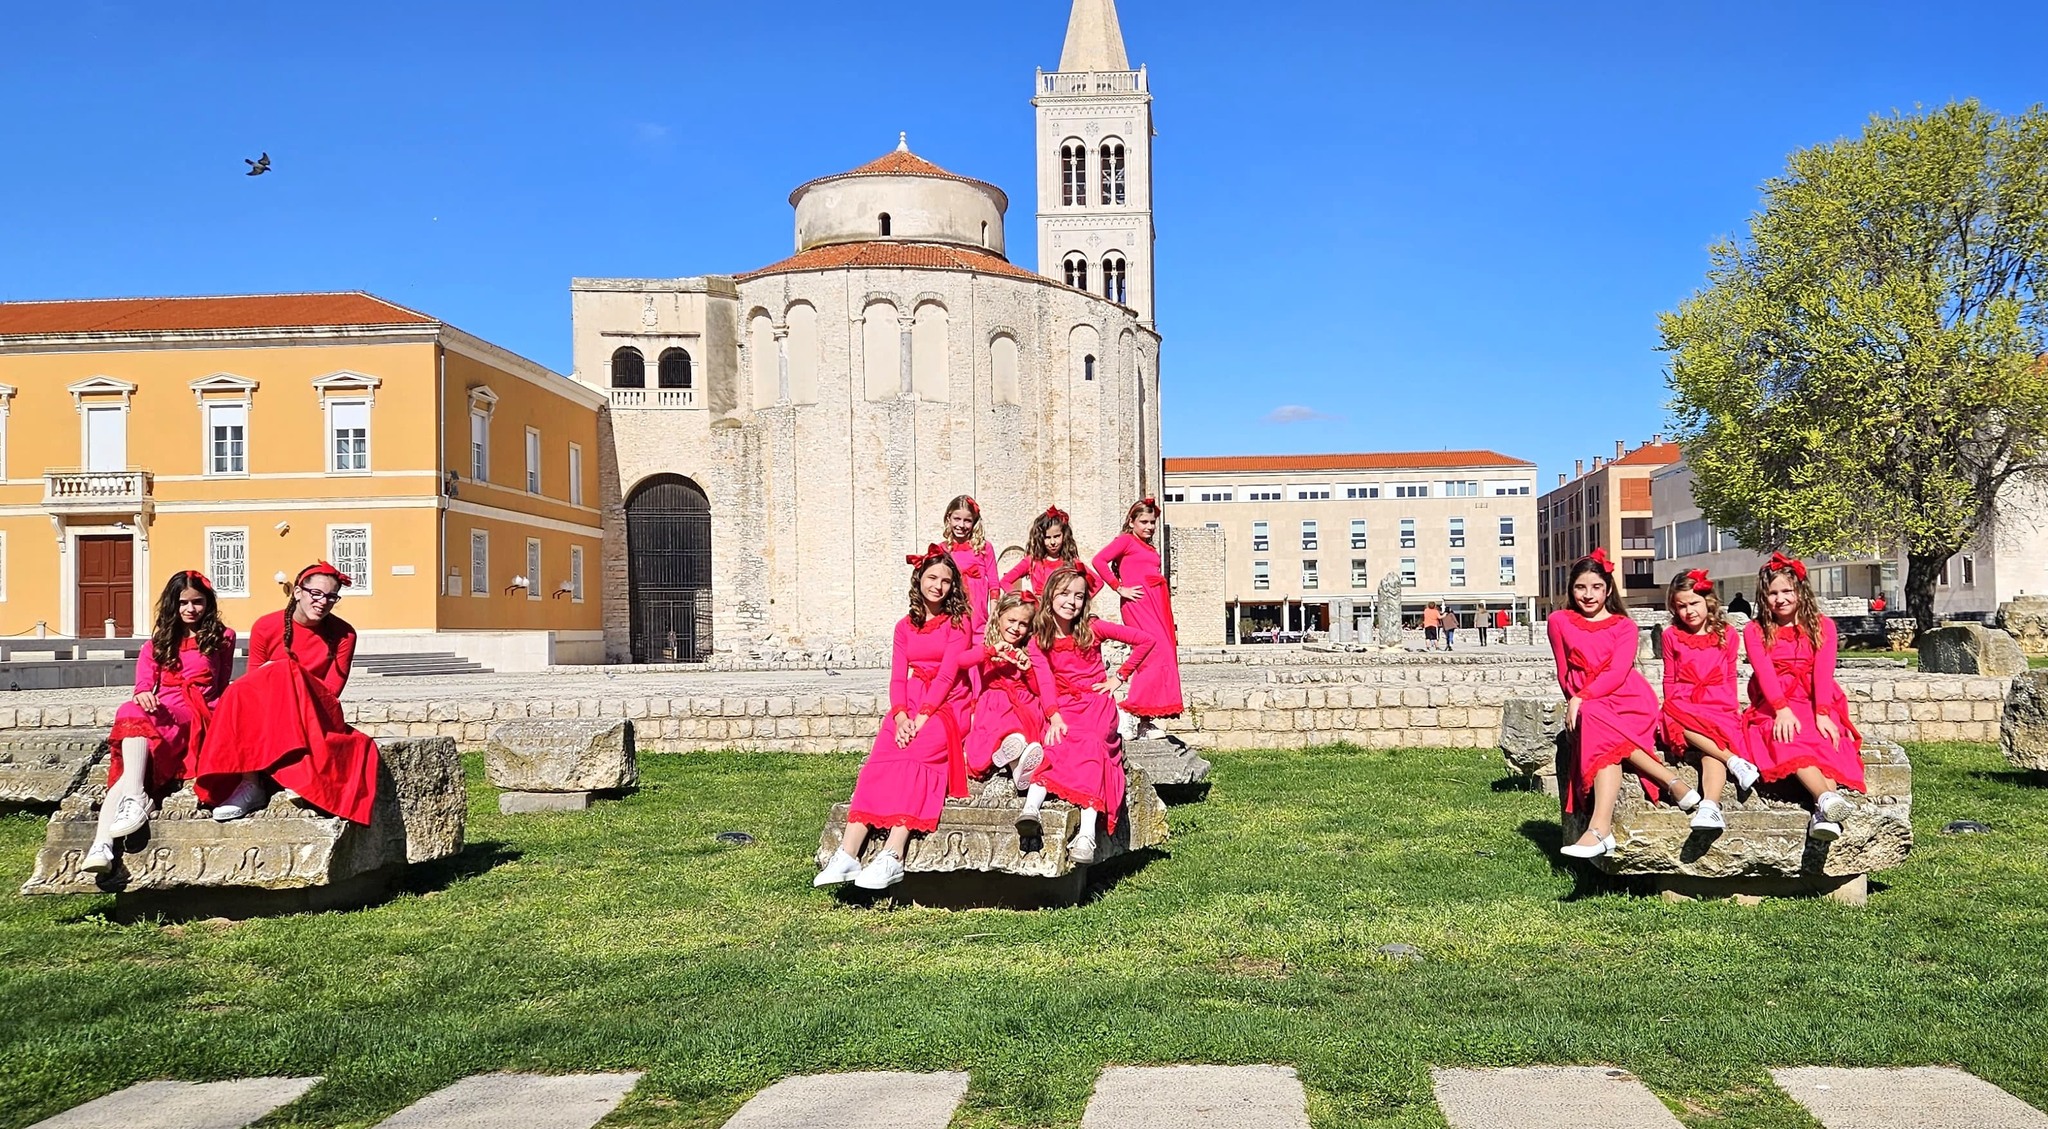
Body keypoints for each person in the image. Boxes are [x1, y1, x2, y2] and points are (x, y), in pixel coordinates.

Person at [815, 547, 977, 891]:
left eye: (946, 581)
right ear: (919, 580)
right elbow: (897, 677)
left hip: (948, 704)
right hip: (913, 700)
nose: (938, 586)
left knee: (917, 755)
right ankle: (847, 854)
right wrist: (902, 714)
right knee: (882, 757)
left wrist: (921, 719)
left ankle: (893, 853)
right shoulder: (903, 627)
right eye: (932, 578)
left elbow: (948, 676)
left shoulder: (959, 622)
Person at [194, 562, 380, 824]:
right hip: (270, 707)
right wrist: (280, 674)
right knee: (240, 691)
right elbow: (252, 682)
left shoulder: (344, 633)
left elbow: (332, 691)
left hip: (316, 711)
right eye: (315, 593)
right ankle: (250, 782)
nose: (322, 602)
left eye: (330, 596)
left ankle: (288, 775)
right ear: (298, 592)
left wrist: (289, 674)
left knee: (282, 670)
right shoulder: (266, 626)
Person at [81, 571, 238, 875]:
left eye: (198, 602)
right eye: (183, 603)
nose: (190, 609)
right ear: (172, 604)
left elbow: (221, 684)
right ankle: (102, 843)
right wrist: (142, 695)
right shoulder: (157, 642)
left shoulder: (223, 637)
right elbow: (142, 686)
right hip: (163, 713)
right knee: (130, 714)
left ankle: (112, 830)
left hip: (198, 714)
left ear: (208, 603)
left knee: (132, 751)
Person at [1548, 549, 1700, 859]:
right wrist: (1574, 701)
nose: (1588, 595)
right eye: (1580, 587)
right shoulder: (1559, 621)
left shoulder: (1624, 626)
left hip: (1628, 700)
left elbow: (1617, 673)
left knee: (1594, 719)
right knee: (1596, 727)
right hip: (1589, 705)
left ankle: (1600, 830)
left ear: (1608, 589)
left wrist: (1582, 699)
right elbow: (1564, 672)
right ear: (1571, 589)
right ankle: (1669, 783)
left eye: (1596, 587)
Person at [1020, 565, 1156, 862]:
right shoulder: (1038, 640)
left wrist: (1119, 676)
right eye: (1065, 593)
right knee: (1055, 742)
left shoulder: (1093, 628)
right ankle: (1030, 809)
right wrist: (1053, 715)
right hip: (1064, 706)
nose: (1072, 601)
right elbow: (1044, 682)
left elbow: (1146, 641)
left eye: (1079, 596)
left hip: (1095, 703)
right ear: (1050, 596)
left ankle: (1087, 833)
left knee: (1093, 745)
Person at [1742, 553, 1863, 842]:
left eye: (1787, 591)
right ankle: (1825, 800)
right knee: (1788, 736)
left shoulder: (1823, 626)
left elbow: (1823, 670)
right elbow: (1764, 672)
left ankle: (1824, 815)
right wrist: (1781, 709)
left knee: (1826, 738)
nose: (1780, 599)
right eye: (1772, 593)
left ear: (1800, 591)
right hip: (1775, 701)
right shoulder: (1755, 629)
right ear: (1763, 596)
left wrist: (1823, 711)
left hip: (1814, 698)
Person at [1658, 569, 1764, 831]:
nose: (1688, 611)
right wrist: (1672, 705)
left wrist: (1729, 710)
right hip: (1683, 702)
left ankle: (1710, 805)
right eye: (1681, 606)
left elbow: (1729, 677)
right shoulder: (1671, 635)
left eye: (1693, 603)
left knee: (1711, 749)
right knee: (1674, 720)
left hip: (1717, 702)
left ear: (1708, 600)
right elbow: (1669, 677)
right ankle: (1733, 761)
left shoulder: (1727, 634)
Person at [1092, 498, 1182, 739]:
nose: (1149, 526)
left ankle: (1145, 720)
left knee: (1163, 654)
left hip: (1157, 605)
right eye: (1144, 521)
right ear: (1131, 522)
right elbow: (1098, 560)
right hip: (1138, 604)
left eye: (1152, 522)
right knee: (1151, 653)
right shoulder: (1125, 541)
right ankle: (1133, 715)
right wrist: (1118, 587)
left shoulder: (1149, 547)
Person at [937, 590, 1046, 781]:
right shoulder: (987, 645)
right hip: (993, 705)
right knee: (1000, 728)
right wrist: (989, 651)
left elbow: (1038, 689)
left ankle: (1015, 757)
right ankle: (1016, 760)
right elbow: (962, 660)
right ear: (999, 617)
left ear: (1029, 628)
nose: (1015, 628)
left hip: (1023, 704)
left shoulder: (1029, 650)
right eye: (1011, 621)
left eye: (1022, 624)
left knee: (1018, 727)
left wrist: (1027, 669)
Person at [1000, 505, 1103, 597]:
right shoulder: (1032, 562)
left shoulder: (1071, 563)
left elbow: (1097, 583)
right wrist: (1024, 601)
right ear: (1040, 538)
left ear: (1064, 536)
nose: (1052, 542)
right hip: (1039, 616)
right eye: (1047, 538)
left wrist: (1079, 601)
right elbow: (1005, 581)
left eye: (1057, 536)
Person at [941, 495, 999, 634]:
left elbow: (994, 585)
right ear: (949, 518)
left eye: (967, 521)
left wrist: (993, 616)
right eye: (957, 519)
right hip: (952, 619)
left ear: (974, 523)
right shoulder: (942, 549)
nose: (961, 525)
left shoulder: (984, 548)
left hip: (979, 622)